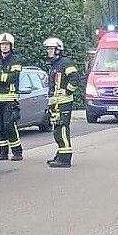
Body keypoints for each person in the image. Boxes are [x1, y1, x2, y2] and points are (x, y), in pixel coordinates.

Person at [43, 37, 80, 168]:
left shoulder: (65, 63)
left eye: (51, 49)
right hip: (55, 103)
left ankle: (65, 158)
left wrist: (68, 91)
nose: (49, 51)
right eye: (48, 49)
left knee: (62, 129)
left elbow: (75, 78)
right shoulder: (53, 65)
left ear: (58, 50)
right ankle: (60, 154)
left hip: (63, 102)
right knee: (57, 129)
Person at [0, 32, 24, 161]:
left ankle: (17, 152)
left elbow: (12, 78)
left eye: (7, 44)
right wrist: (2, 77)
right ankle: (3, 152)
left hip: (9, 98)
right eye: (2, 44)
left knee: (9, 125)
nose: (4, 47)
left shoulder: (16, 60)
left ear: (11, 46)